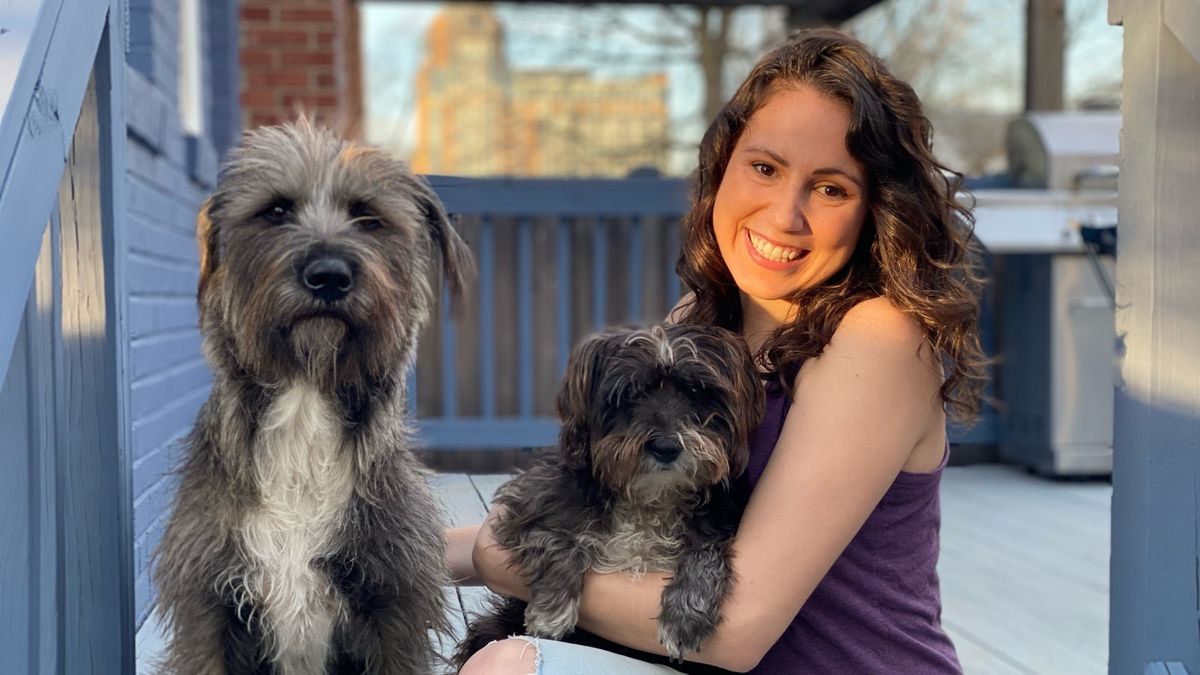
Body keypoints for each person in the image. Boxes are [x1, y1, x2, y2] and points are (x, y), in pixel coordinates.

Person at [445, 27, 986, 674]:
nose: (786, 215)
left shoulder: (877, 339)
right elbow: (605, 519)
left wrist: (507, 560)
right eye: (764, 168)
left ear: (875, 210)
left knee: (508, 666)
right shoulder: (704, 322)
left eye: (830, 188)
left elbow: (735, 628)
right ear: (721, 165)